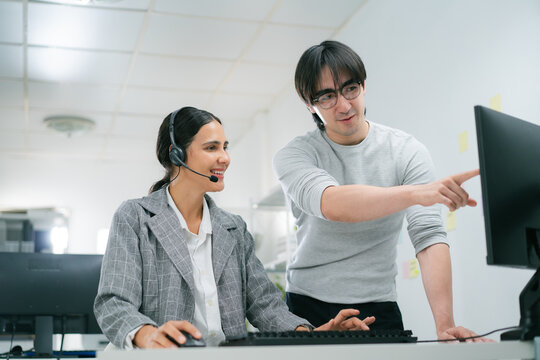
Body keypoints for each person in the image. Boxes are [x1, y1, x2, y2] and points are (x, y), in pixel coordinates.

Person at [94, 106, 371, 349]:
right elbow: (113, 303)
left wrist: (308, 335)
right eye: (211, 148)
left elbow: (265, 304)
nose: (225, 157)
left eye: (225, 147)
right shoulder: (135, 217)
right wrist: (147, 335)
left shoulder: (234, 229)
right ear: (176, 154)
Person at [273, 40, 487, 342]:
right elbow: (333, 204)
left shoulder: (406, 150)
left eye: (351, 89)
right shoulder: (294, 155)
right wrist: (415, 193)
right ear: (309, 104)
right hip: (308, 307)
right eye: (327, 97)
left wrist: (444, 325)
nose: (344, 106)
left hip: (379, 307)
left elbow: (429, 237)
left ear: (363, 86)